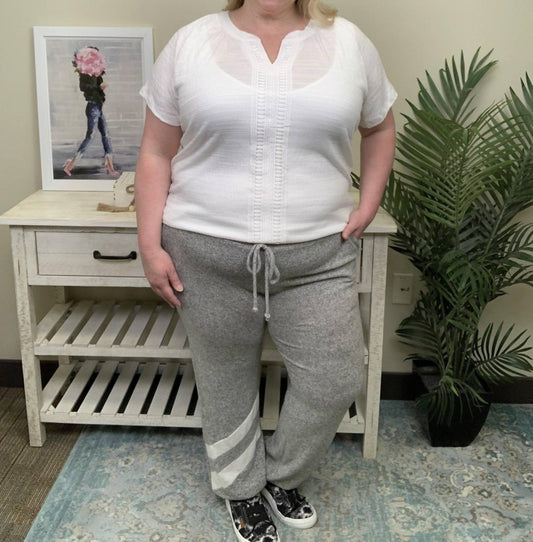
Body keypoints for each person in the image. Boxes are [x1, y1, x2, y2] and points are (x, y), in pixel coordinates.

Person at [135, 1, 396, 540]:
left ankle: (280, 476)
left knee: (336, 377)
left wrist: (369, 203)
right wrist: (148, 244)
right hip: (204, 255)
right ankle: (241, 490)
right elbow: (157, 151)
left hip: (318, 258)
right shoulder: (190, 43)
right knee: (225, 382)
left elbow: (380, 127)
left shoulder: (350, 43)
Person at [63, 46, 119, 177]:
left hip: (98, 107)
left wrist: (100, 86)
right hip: (92, 107)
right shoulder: (84, 76)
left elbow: (99, 86)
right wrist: (98, 87)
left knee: (105, 135)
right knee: (90, 136)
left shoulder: (97, 74)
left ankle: (109, 165)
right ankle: (71, 164)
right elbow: (84, 88)